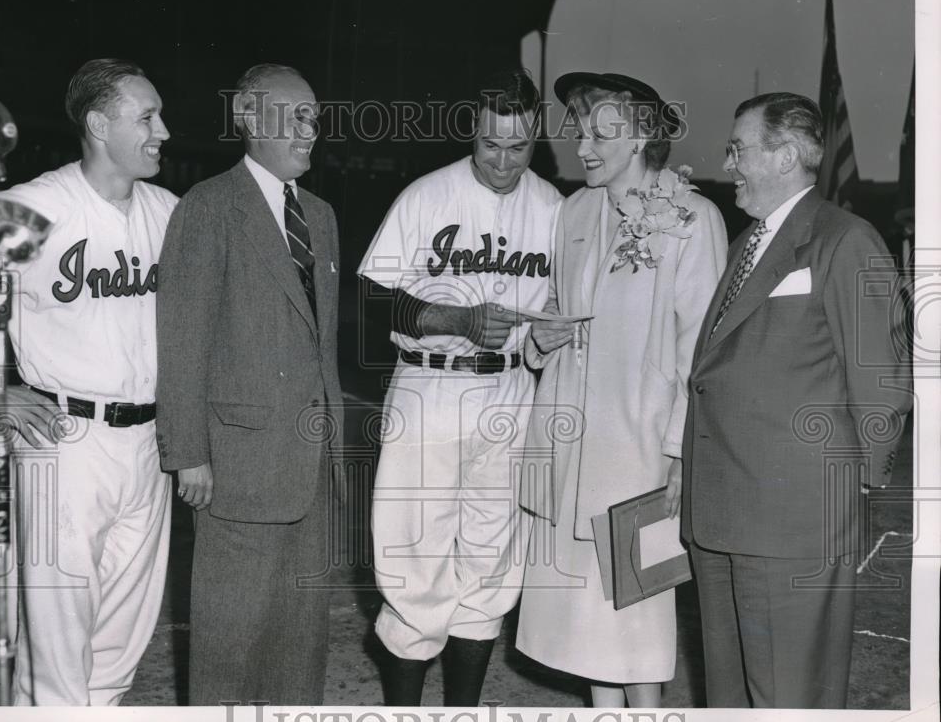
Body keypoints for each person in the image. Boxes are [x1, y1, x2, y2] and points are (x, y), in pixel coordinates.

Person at [0, 58, 176, 705]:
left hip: (149, 445)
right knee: (55, 652)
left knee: (118, 649)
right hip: (64, 437)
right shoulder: (37, 207)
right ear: (100, 124)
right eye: (147, 116)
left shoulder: (168, 211)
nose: (164, 129)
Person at [681, 92, 912, 708]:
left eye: (739, 149)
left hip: (794, 524)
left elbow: (882, 381)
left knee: (790, 701)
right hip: (722, 518)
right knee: (730, 700)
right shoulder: (745, 246)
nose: (728, 163)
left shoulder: (845, 240)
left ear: (784, 156)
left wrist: (847, 490)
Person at [515, 72, 727, 708]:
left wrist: (677, 451)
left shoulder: (693, 219)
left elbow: (701, 352)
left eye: (601, 133)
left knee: (639, 611)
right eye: (581, 130)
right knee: (586, 623)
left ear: (642, 139)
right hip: (569, 445)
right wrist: (538, 341)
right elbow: (552, 308)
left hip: (638, 453)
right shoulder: (574, 210)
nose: (583, 145)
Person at [358, 69, 562, 706]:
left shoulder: (554, 208)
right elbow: (370, 301)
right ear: (472, 134)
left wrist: (546, 335)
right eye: (489, 145)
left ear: (537, 140)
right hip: (431, 387)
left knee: (492, 557)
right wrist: (457, 320)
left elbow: (557, 309)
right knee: (414, 555)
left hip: (511, 388)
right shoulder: (428, 195)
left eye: (518, 147)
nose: (502, 161)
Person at [155, 63, 342, 705]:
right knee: (227, 646)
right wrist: (189, 454)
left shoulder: (321, 215)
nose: (310, 130)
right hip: (238, 462)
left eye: (314, 117)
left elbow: (322, 345)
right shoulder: (208, 208)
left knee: (300, 643)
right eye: (295, 117)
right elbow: (183, 339)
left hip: (310, 458)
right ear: (248, 121)